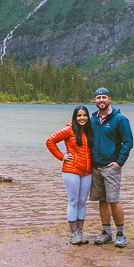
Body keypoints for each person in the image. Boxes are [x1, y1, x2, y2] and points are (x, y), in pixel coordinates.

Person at [89, 87, 133, 248]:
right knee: (102, 200)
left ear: (109, 99)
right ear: (94, 100)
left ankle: (120, 233)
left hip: (111, 167)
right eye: (98, 97)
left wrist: (119, 162)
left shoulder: (120, 119)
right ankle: (106, 233)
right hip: (96, 167)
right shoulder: (92, 120)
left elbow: (128, 142)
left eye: (104, 97)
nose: (101, 100)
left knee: (114, 200)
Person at [46, 105, 94, 245]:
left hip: (87, 171)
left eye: (84, 115)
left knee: (82, 202)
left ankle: (80, 232)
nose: (82, 118)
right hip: (71, 170)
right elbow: (50, 141)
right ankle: (73, 234)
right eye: (79, 115)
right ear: (75, 117)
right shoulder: (69, 129)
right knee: (73, 201)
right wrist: (62, 156)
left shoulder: (90, 131)